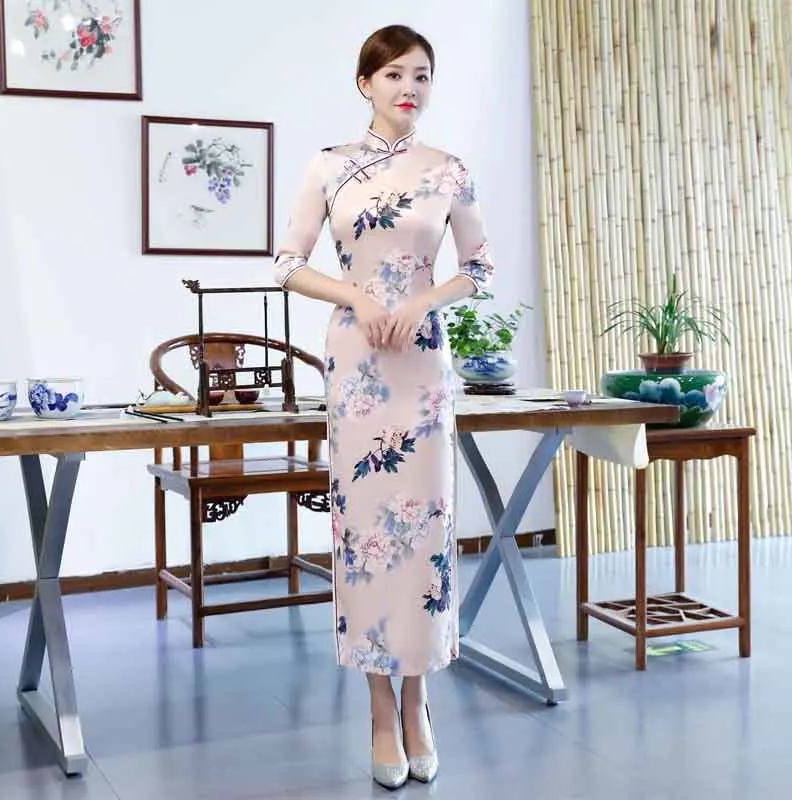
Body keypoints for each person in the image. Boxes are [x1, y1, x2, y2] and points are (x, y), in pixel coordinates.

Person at [273, 23, 494, 789]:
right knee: (365, 533)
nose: (410, 87)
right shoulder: (329, 166)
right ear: (364, 83)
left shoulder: (448, 170)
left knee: (426, 532)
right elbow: (287, 263)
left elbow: (479, 266)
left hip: (422, 366)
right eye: (395, 74)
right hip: (359, 364)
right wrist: (359, 297)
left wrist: (424, 299)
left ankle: (418, 701)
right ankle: (378, 710)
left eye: (422, 75)